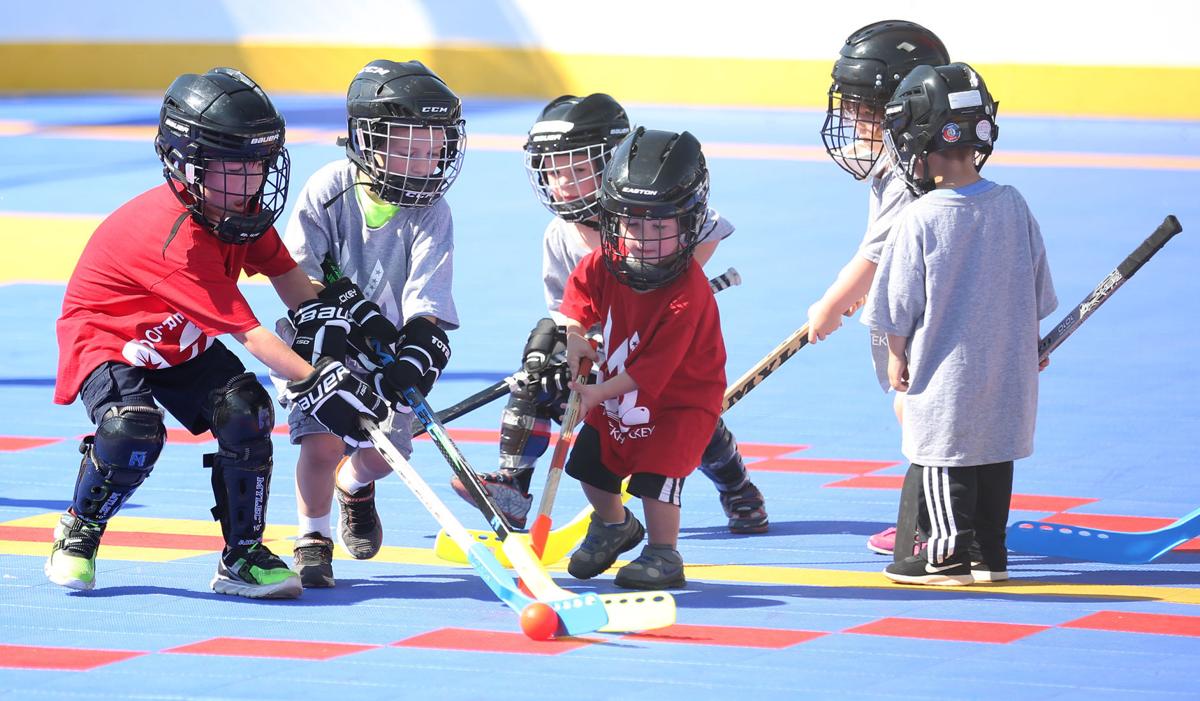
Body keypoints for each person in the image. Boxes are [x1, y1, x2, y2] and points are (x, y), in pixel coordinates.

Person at [46, 67, 388, 599]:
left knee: (248, 411)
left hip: (178, 336)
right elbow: (250, 335)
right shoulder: (176, 241)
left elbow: (288, 277)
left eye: (259, 163)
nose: (251, 179)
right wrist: (321, 381)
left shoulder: (235, 209)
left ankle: (242, 555)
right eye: (235, 164)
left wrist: (341, 323)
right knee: (132, 428)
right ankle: (80, 529)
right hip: (111, 338)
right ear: (186, 164)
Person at [448, 93, 767, 535]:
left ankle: (736, 486)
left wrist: (670, 279)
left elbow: (710, 228)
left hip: (659, 341)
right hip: (606, 349)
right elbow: (567, 309)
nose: (563, 184)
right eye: (554, 172)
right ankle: (513, 487)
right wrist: (571, 346)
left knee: (679, 416)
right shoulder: (559, 234)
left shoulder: (657, 210)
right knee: (538, 369)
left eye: (578, 171)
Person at [861, 62, 1057, 585]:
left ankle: (945, 556)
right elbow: (1037, 287)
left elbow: (897, 303)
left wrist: (896, 355)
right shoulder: (1014, 204)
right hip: (1008, 368)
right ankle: (989, 554)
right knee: (994, 453)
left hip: (948, 372)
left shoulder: (920, 217)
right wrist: (1031, 342)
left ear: (919, 139)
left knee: (942, 455)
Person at [272, 59, 463, 588]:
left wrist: (416, 352)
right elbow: (296, 273)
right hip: (321, 340)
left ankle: (354, 486)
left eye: (434, 150)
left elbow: (427, 297)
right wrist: (346, 315)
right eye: (409, 149)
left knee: (386, 456)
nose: (425, 162)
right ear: (367, 140)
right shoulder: (328, 187)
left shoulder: (433, 209)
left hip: (387, 349)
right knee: (320, 445)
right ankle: (312, 537)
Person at [556, 127, 726, 590]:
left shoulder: (688, 293)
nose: (644, 239)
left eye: (660, 227)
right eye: (633, 225)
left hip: (678, 402)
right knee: (589, 463)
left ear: (688, 224)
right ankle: (614, 524)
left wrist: (595, 394)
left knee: (657, 478)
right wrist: (575, 336)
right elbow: (578, 296)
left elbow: (653, 370)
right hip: (619, 391)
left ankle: (664, 553)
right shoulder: (605, 261)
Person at [807, 20, 951, 557]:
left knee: (917, 412)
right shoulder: (909, 162)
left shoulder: (911, 174)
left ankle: (931, 523)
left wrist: (830, 304)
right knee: (920, 411)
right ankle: (952, 518)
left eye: (862, 109)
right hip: (922, 311)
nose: (851, 120)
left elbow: (874, 254)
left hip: (927, 324)